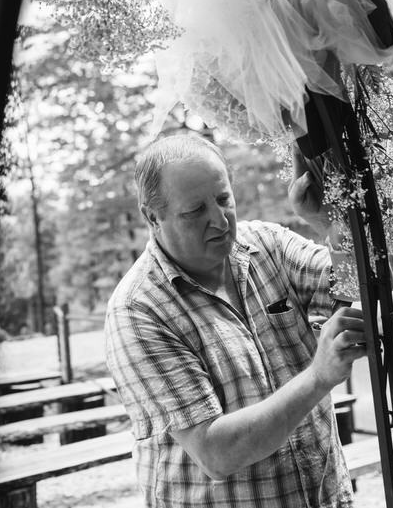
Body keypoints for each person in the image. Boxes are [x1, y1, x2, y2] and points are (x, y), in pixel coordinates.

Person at [105, 133, 366, 508]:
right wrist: (319, 376)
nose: (219, 220)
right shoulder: (138, 310)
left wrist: (328, 224)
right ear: (152, 217)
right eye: (194, 211)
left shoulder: (268, 245)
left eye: (224, 199)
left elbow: (360, 277)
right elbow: (215, 453)